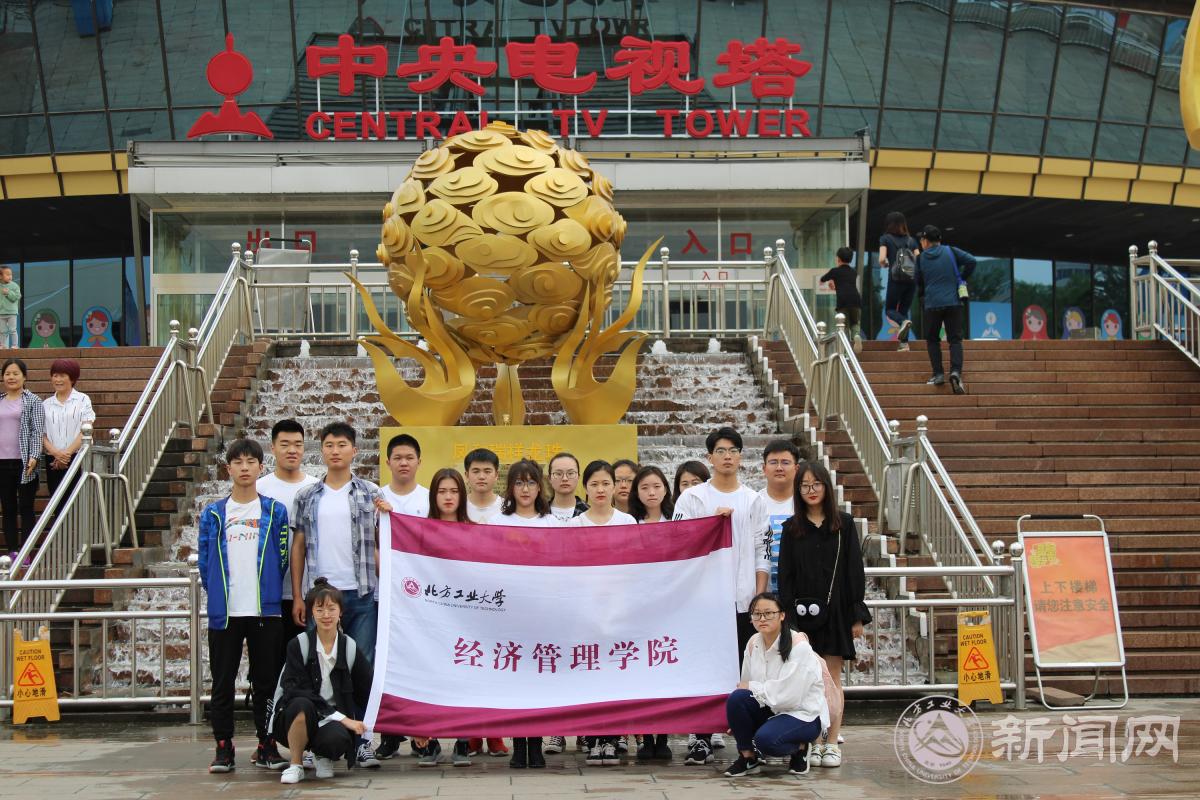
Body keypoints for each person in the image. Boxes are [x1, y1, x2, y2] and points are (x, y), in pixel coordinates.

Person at [672, 426, 769, 767]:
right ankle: (699, 737)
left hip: (743, 602)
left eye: (734, 450)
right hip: (703, 602)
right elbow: (678, 541)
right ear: (709, 457)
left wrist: (759, 600)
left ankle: (746, 740)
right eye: (721, 451)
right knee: (702, 668)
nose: (728, 456)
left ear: (741, 457)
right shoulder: (693, 498)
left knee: (745, 672)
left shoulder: (754, 500)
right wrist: (708, 525)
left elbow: (762, 552)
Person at [290, 422, 382, 769]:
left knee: (362, 667)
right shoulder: (307, 496)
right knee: (317, 669)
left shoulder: (371, 493)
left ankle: (363, 741)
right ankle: (313, 741)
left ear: (354, 451)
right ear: (322, 451)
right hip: (322, 598)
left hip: (361, 593)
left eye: (342, 444)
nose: (335, 450)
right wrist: (299, 595)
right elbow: (299, 546)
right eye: (329, 445)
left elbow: (384, 541)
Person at [197, 438, 290, 773]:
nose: (245, 468)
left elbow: (282, 556)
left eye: (251, 462)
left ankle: (267, 744)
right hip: (226, 614)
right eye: (238, 462)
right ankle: (224, 746)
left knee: (266, 682)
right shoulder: (213, 514)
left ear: (261, 468)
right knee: (222, 682)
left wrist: (267, 590)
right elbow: (205, 562)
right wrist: (220, 595)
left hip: (265, 611)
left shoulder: (275, 511)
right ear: (228, 469)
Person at [777, 462, 870, 769]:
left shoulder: (843, 524)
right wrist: (788, 620)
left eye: (816, 484)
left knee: (832, 678)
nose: (811, 490)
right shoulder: (792, 528)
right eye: (805, 486)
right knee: (809, 680)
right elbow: (786, 575)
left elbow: (854, 570)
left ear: (827, 487)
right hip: (801, 615)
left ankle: (832, 742)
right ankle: (814, 741)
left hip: (836, 611)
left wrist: (856, 615)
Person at [274, 578, 375, 785]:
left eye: (331, 609)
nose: (326, 615)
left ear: (341, 612)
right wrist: (344, 719)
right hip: (296, 717)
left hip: (331, 720)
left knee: (337, 740)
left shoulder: (349, 647)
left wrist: (411, 730)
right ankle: (296, 764)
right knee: (301, 704)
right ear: (312, 613)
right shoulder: (298, 645)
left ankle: (322, 755)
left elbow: (370, 691)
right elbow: (294, 691)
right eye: (319, 610)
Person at [569, 460, 636, 767]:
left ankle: (612, 736)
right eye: (594, 484)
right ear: (586, 487)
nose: (600, 489)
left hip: (619, 609)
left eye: (605, 483)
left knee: (616, 674)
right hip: (585, 610)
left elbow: (635, 565)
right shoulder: (574, 526)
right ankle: (593, 736)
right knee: (590, 673)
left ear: (614, 486)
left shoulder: (627, 521)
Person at [409, 468, 476, 768]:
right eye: (442, 491)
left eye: (454, 491)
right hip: (430, 615)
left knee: (464, 677)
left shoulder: (475, 531)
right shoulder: (419, 531)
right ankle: (430, 741)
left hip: (467, 616)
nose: (448, 497)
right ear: (433, 496)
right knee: (430, 675)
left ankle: (463, 741)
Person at [723, 592, 830, 778]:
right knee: (736, 699)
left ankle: (801, 747)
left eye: (768, 613)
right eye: (757, 614)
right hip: (772, 708)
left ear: (782, 615)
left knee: (766, 741)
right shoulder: (753, 642)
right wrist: (741, 720)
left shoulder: (798, 646)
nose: (762, 619)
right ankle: (748, 758)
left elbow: (789, 697)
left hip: (802, 715)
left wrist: (753, 687)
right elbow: (745, 687)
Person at [256, 420, 319, 654]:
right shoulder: (258, 489)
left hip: (308, 592)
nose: (292, 450)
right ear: (272, 448)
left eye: (298, 444)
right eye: (285, 444)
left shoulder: (316, 488)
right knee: (268, 662)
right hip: (268, 593)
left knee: (305, 661)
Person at [627, 464, 675, 760]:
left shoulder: (679, 521)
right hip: (637, 608)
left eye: (656, 486)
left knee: (665, 670)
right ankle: (646, 737)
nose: (651, 492)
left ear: (666, 489)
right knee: (642, 673)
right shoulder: (629, 523)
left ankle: (664, 737)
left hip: (671, 606)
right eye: (644, 487)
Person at [915, 225, 976, 395]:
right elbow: (972, 261)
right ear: (939, 239)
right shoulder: (951, 251)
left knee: (932, 340)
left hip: (932, 304)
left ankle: (938, 374)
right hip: (953, 303)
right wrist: (961, 277)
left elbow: (918, 281)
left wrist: (923, 297)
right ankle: (955, 372)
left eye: (921, 240)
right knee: (955, 340)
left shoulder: (920, 259)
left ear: (925, 241)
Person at [0, 358, 43, 556]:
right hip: (2, 463)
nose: (11, 377)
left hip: (25, 462)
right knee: (8, 508)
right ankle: (12, 551)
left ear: (24, 377)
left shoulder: (33, 401)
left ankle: (26, 553)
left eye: (15, 373)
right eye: (7, 374)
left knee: (26, 507)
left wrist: (34, 455)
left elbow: (37, 431)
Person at [41, 358, 95, 496]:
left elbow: (86, 429)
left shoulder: (83, 399)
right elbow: (42, 434)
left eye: (62, 376)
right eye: (55, 375)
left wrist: (66, 454)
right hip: (53, 460)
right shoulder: (45, 404)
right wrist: (57, 454)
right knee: (56, 500)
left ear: (72, 378)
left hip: (78, 457)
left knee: (78, 499)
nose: (58, 380)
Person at [758, 440, 801, 593]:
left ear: (796, 468)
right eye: (773, 462)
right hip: (762, 593)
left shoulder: (806, 503)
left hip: (799, 593)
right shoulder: (753, 502)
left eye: (785, 462)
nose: (779, 468)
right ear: (764, 468)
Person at [877, 212, 920, 352]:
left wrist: (885, 264)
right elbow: (919, 258)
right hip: (911, 279)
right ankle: (904, 344)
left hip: (896, 279)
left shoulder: (885, 239)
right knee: (903, 310)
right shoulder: (912, 240)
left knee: (890, 310)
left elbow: (881, 259)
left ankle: (903, 323)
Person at [819, 247, 863, 352]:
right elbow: (846, 284)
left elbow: (822, 279)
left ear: (838, 259)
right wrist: (835, 285)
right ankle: (856, 336)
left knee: (844, 326)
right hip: (856, 301)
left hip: (843, 302)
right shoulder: (853, 272)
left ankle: (846, 351)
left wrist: (830, 281)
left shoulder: (835, 271)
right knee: (855, 323)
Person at [376, 433, 428, 517]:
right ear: (388, 463)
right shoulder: (377, 499)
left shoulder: (429, 499)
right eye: (397, 458)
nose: (404, 463)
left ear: (418, 463)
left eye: (409, 458)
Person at [496, 458, 552, 529]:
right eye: (519, 483)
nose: (525, 490)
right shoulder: (497, 522)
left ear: (539, 487)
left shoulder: (552, 523)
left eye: (531, 483)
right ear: (511, 487)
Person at [464, 448, 503, 523]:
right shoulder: (458, 506)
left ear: (496, 475)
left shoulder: (508, 507)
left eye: (487, 471)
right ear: (467, 475)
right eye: (476, 471)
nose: (481, 477)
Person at [547, 451, 588, 523]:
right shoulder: (539, 512)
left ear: (578, 477)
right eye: (558, 474)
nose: (565, 478)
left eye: (570, 473)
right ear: (549, 478)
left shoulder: (589, 512)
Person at [0, 266, 20, 349]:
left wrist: (8, 293)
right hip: (1, 313)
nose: (10, 276)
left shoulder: (14, 286)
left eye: (11, 274)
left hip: (11, 312)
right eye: (7, 274)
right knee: (2, 331)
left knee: (13, 330)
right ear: (0, 276)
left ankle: (15, 345)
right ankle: (3, 345)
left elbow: (17, 297)